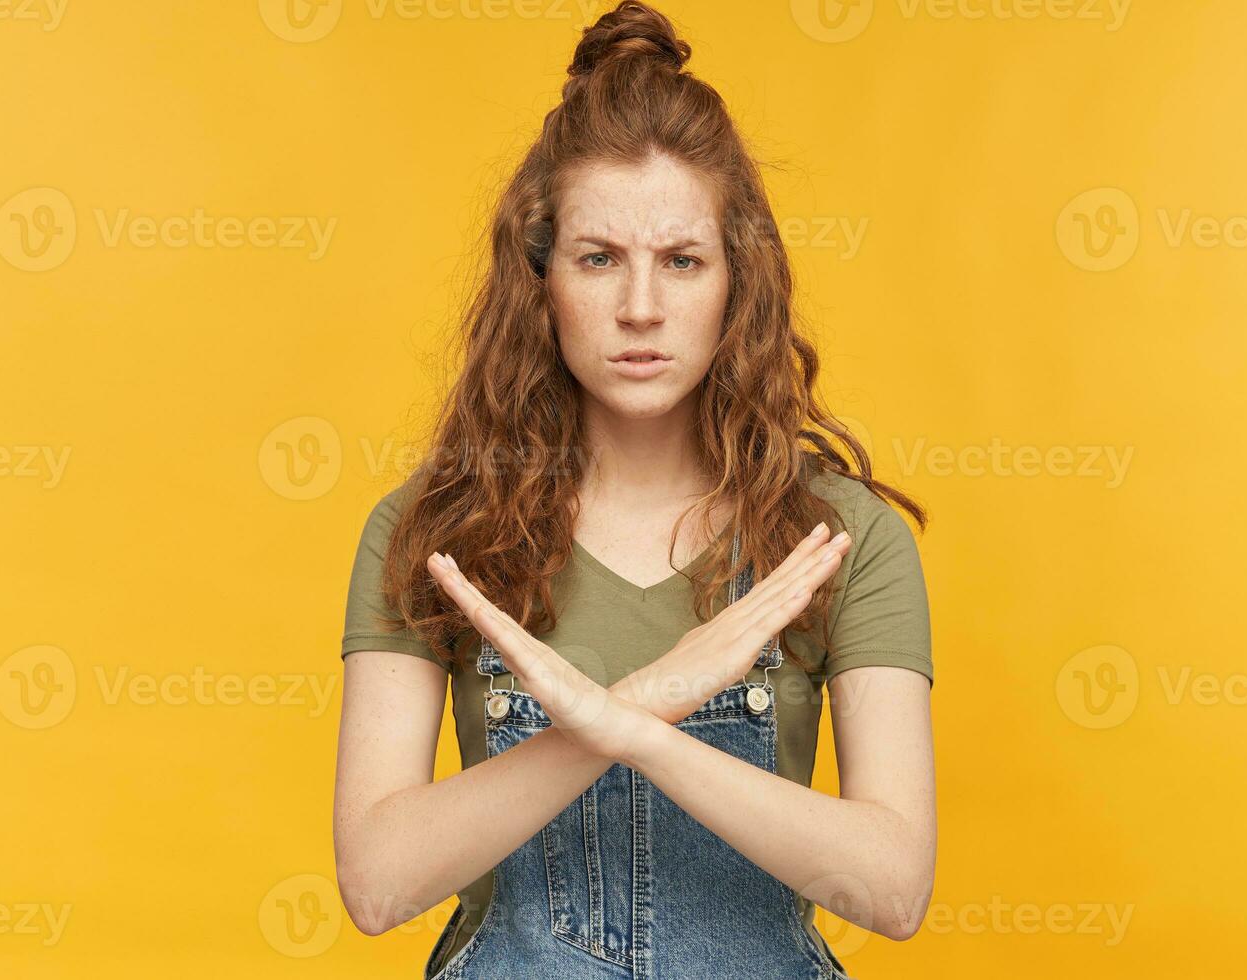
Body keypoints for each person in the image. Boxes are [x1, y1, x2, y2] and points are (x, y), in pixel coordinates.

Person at [332, 3, 936, 976]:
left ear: (739, 279)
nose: (642, 306)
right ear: (540, 280)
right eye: (599, 257)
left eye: (683, 260)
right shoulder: (435, 531)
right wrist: (655, 693)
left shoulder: (840, 538)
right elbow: (378, 880)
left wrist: (631, 729)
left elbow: (892, 886)